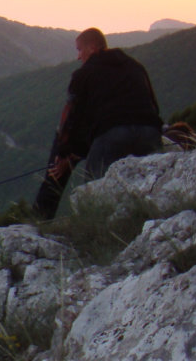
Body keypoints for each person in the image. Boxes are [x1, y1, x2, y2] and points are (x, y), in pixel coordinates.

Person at [33, 28, 162, 219]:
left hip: (112, 135)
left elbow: (71, 117)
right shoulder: (135, 66)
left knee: (94, 195)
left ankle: (42, 218)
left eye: (79, 50)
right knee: (149, 189)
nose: (78, 57)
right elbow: (153, 103)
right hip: (150, 132)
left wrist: (64, 153)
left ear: (92, 48)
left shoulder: (84, 74)